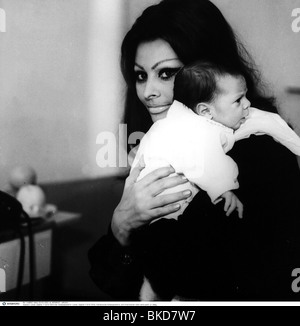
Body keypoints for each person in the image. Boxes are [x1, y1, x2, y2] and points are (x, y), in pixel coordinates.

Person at [88, 0, 300, 301]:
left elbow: (195, 277)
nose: (148, 92)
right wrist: (121, 224)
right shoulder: (161, 147)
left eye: (166, 74)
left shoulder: (261, 154)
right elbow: (112, 288)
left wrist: (131, 238)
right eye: (140, 75)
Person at [131, 60, 300, 222]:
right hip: (160, 207)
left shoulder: (211, 116)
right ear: (205, 111)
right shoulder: (194, 129)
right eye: (238, 100)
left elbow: (263, 119)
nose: (247, 104)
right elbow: (208, 160)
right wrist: (223, 189)